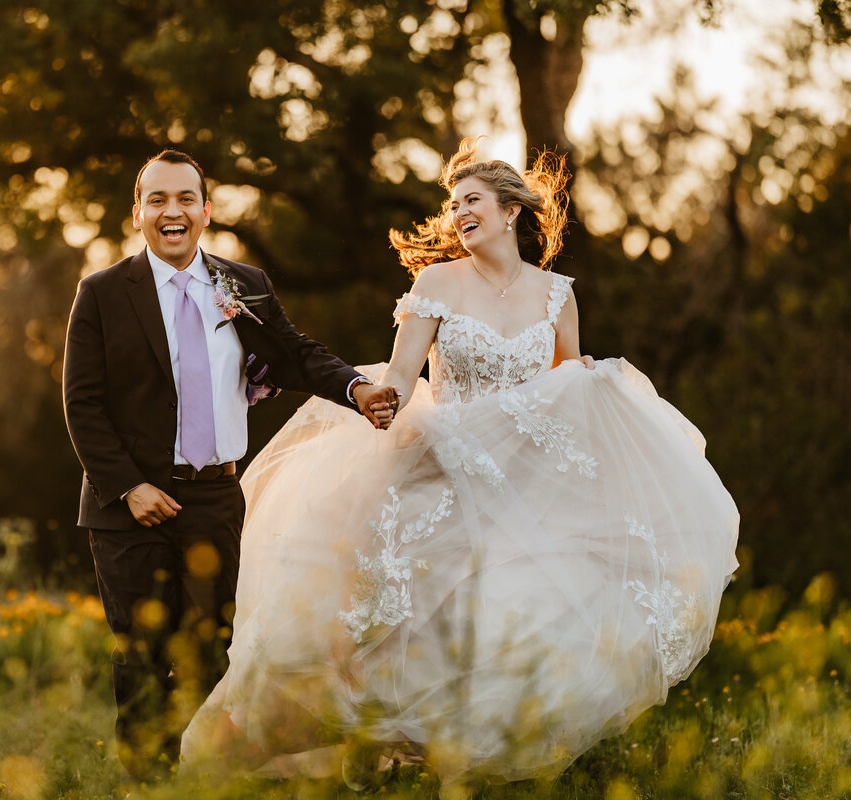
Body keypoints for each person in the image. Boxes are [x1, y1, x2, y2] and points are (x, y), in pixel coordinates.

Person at [179, 139, 740, 789]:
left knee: (528, 613)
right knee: (389, 620)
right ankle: (261, 750)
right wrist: (375, 404)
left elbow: (563, 391)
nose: (459, 213)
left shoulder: (557, 296)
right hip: (440, 464)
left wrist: (595, 383)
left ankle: (484, 764)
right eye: (453, 205)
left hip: (523, 487)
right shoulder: (437, 283)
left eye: (472, 200)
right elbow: (400, 375)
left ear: (509, 213)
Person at [62, 149, 397, 780]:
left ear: (206, 210)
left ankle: (193, 764)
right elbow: (81, 403)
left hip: (216, 498)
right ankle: (148, 784)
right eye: (157, 199)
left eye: (186, 198)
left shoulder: (243, 286)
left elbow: (295, 354)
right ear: (138, 214)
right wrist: (128, 487)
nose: (173, 210)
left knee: (217, 649)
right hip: (129, 505)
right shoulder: (103, 293)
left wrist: (355, 388)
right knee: (141, 651)